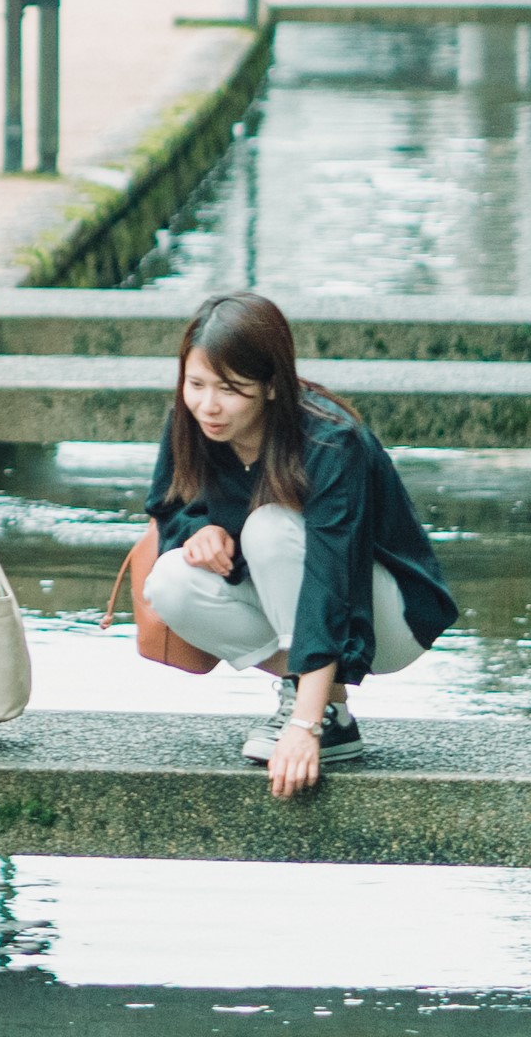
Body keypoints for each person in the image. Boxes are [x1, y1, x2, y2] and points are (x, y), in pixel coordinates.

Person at [139, 290, 458, 799]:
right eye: (195, 384)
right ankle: (317, 697)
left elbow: (331, 580)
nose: (208, 405)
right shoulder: (193, 421)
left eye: (231, 389)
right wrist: (198, 530)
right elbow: (169, 506)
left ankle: (322, 715)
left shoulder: (331, 440)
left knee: (269, 527)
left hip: (385, 616)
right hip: (297, 605)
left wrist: (303, 729)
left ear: (271, 386)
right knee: (171, 581)